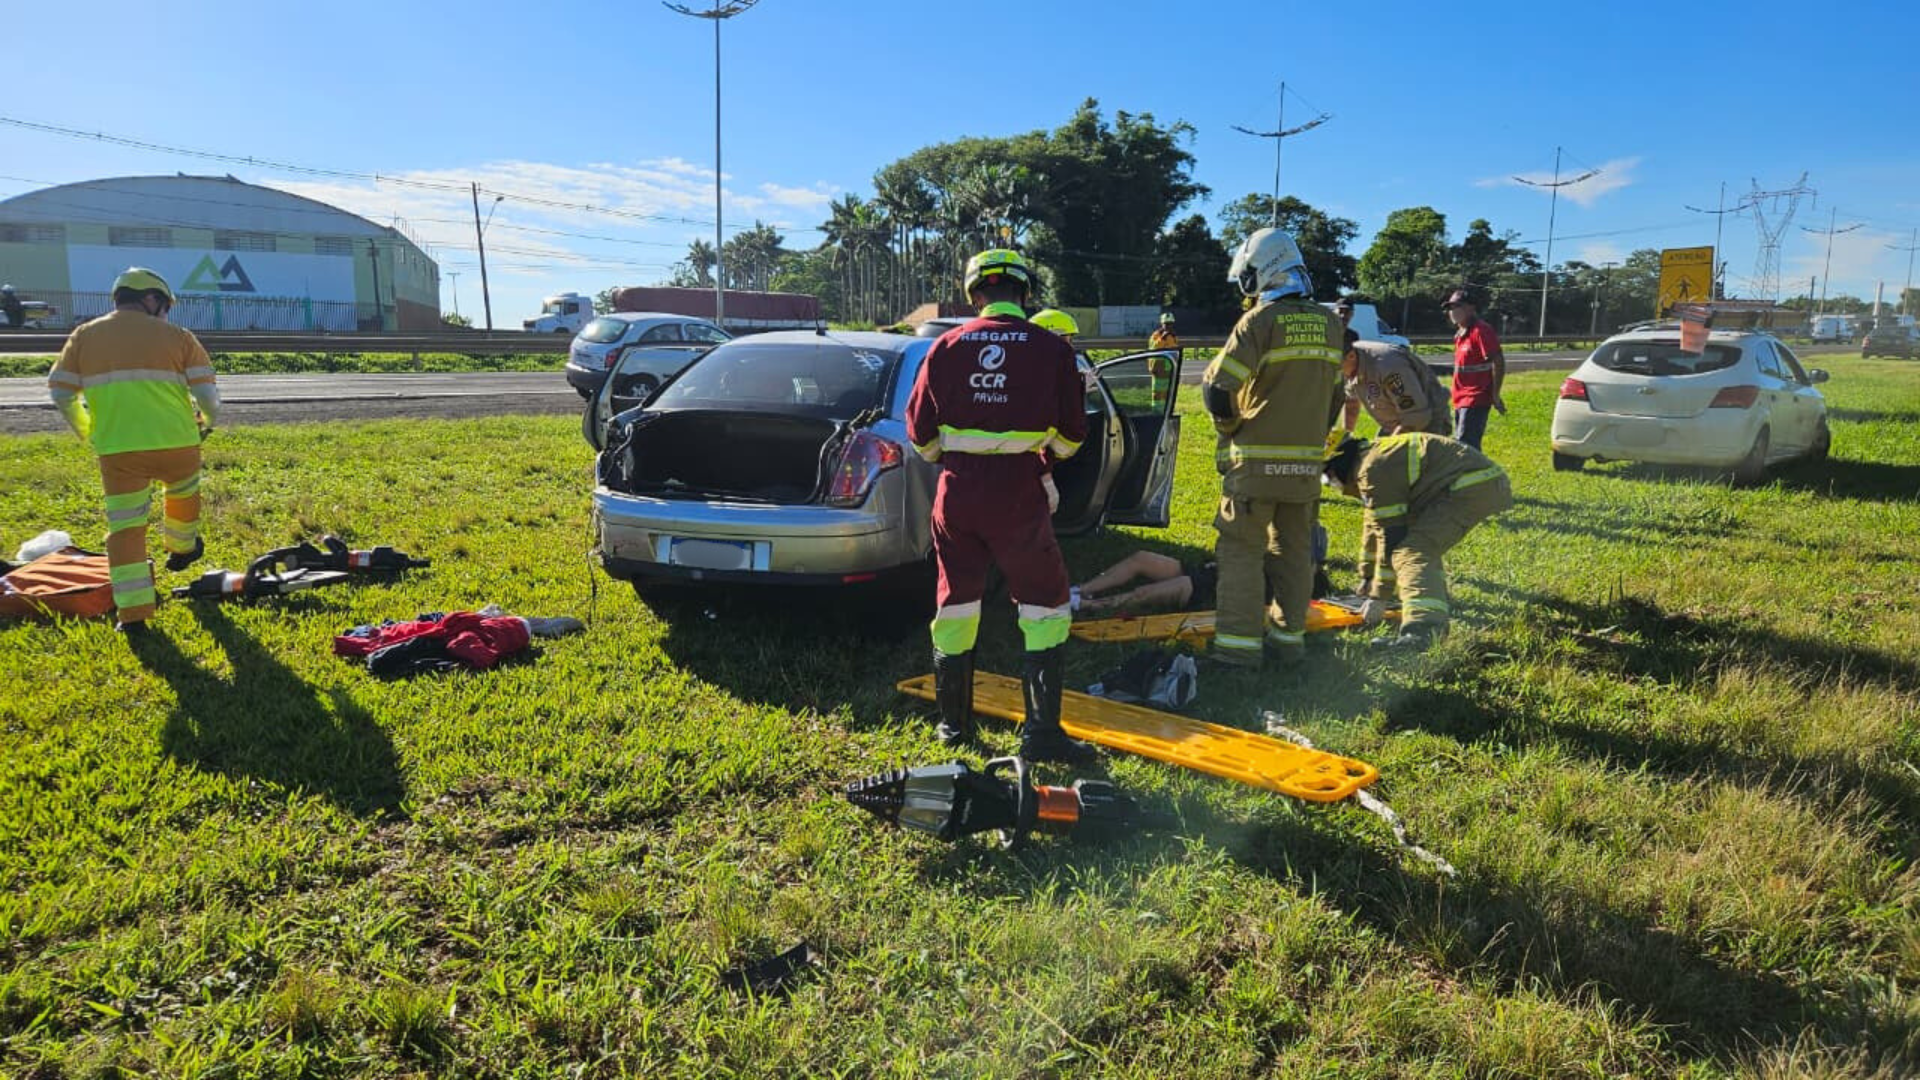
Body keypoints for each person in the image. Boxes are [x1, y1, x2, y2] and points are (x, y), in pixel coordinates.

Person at [905, 249, 1095, 763]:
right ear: (1025, 293)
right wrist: (1040, 453)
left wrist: (957, 454)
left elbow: (920, 433)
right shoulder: (1051, 349)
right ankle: (1041, 732)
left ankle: (954, 727)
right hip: (1018, 489)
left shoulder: (944, 345)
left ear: (974, 295)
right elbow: (1074, 435)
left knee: (956, 601)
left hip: (958, 487)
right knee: (1045, 603)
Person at [46, 268, 219, 633]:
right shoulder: (179, 336)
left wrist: (86, 429)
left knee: (125, 530)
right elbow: (206, 392)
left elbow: (61, 391)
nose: (166, 313)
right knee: (183, 494)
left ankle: (134, 616)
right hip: (179, 442)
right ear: (151, 299)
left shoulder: (84, 336)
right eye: (165, 305)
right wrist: (209, 419)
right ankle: (182, 547)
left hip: (119, 451)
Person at [1201, 228, 1344, 667]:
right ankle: (1289, 641)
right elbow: (1336, 397)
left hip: (1255, 467)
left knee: (1242, 552)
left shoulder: (1259, 322)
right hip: (1304, 470)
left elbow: (1218, 388)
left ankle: (1237, 652)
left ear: (1261, 272)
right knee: (1295, 553)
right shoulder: (1331, 324)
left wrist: (1231, 427)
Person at [1323, 432, 1511, 651]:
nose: (1331, 484)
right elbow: (1373, 526)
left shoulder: (1374, 469)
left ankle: (1422, 632)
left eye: (1328, 476)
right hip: (1468, 484)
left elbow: (1390, 536)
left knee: (1411, 551)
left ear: (1340, 461)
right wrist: (1367, 576)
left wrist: (1379, 596)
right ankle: (1433, 601)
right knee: (1420, 546)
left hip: (1471, 487)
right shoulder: (1370, 463)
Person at [1073, 524, 1332, 616]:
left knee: (1143, 593)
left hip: (1205, 589)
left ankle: (1086, 606)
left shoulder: (1298, 576)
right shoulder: (1276, 538)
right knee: (1141, 558)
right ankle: (1080, 590)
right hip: (1208, 571)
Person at [1341, 329, 1446, 436]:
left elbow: (1416, 417)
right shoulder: (1345, 360)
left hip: (1426, 422)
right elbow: (1351, 404)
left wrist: (1391, 446)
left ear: (1351, 356)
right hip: (1395, 422)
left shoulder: (1389, 367)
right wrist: (1344, 438)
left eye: (1336, 367)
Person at [1443, 288, 1505, 449]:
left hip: (1475, 398)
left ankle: (1475, 473)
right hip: (1459, 398)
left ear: (1471, 307)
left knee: (1466, 447)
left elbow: (1498, 361)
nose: (1452, 311)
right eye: (1450, 308)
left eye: (1457, 306)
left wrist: (1495, 394)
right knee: (1462, 444)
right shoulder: (1460, 334)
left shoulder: (1481, 331)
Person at [1146, 312, 1180, 411]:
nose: (1168, 326)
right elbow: (1154, 348)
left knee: (1167, 392)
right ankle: (1156, 411)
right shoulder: (1156, 335)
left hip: (1169, 369)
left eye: (1170, 324)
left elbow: (1175, 350)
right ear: (1162, 324)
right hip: (1158, 368)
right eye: (1166, 324)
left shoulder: (1173, 336)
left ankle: (1166, 410)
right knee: (1157, 392)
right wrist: (1162, 338)